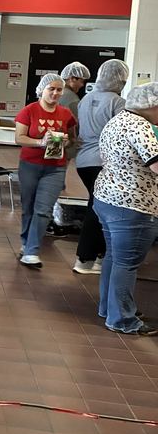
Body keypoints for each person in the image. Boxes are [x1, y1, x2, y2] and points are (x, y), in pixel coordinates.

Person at [93, 83, 158, 336]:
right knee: (127, 263)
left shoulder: (119, 120)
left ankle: (109, 308)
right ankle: (122, 319)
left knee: (114, 257)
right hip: (132, 204)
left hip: (108, 198)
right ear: (152, 105)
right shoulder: (140, 127)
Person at [73, 59, 129, 275]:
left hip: (83, 161)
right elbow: (122, 135)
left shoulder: (85, 99)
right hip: (103, 162)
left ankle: (97, 257)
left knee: (96, 206)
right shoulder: (118, 102)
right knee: (99, 209)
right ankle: (86, 259)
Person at [15, 73, 76, 268]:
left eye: (59, 90)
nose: (55, 93)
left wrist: (66, 142)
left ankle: (32, 251)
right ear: (42, 90)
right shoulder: (29, 111)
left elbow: (73, 138)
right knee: (29, 207)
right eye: (51, 89)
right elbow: (19, 138)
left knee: (43, 210)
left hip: (55, 168)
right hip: (30, 165)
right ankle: (26, 242)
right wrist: (40, 142)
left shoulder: (66, 114)